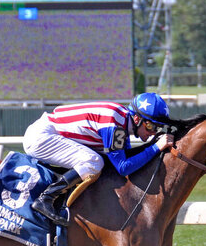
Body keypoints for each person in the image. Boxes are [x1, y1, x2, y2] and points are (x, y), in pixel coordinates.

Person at [23, 92, 174, 226]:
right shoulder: (114, 124)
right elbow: (123, 167)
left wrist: (154, 146)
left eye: (157, 128)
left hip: (48, 133)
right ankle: (47, 198)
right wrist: (155, 147)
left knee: (97, 161)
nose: (153, 132)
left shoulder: (122, 121)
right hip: (41, 138)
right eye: (150, 126)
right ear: (136, 118)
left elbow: (127, 158)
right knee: (94, 162)